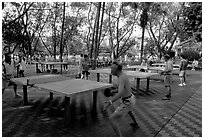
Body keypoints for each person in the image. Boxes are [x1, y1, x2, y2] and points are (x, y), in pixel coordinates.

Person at [103, 61, 139, 137]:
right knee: (129, 111)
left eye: (112, 68)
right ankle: (136, 124)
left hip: (127, 102)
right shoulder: (122, 75)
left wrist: (110, 102)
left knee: (112, 119)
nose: (111, 70)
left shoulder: (121, 78)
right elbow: (122, 89)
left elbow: (120, 93)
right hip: (131, 98)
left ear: (117, 70)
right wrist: (113, 91)